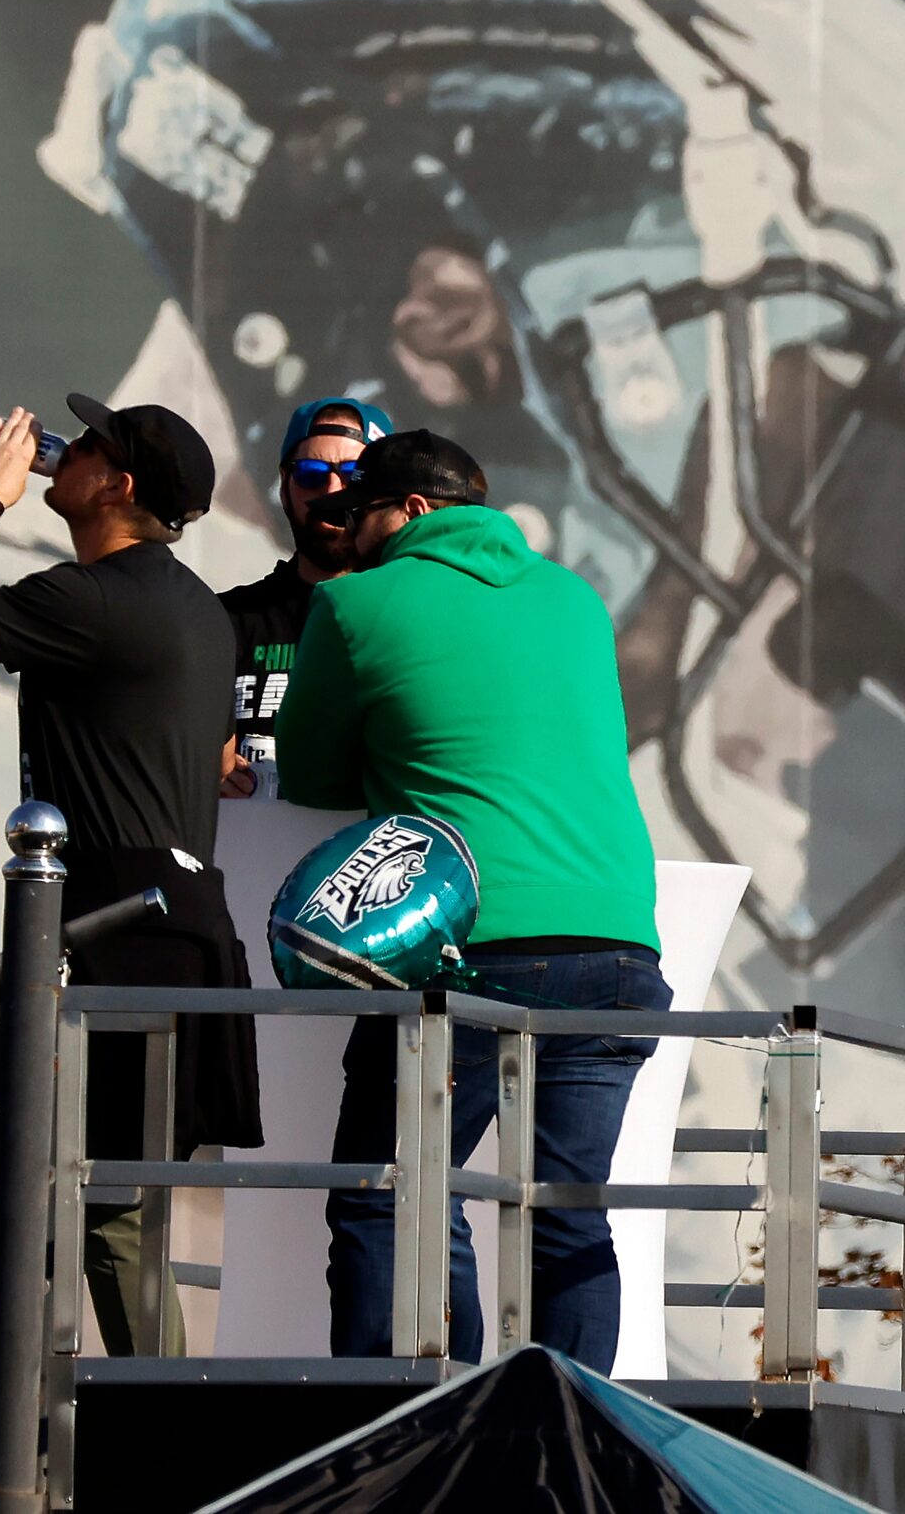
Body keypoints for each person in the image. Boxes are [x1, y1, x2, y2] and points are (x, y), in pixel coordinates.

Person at [271, 428, 666, 1366]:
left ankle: (413, 1422)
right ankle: (568, 1436)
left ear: (410, 511)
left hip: (472, 947)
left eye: (360, 510)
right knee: (566, 1217)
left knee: (395, 1190)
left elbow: (311, 774)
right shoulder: (577, 601)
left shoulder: (355, 604)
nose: (347, 529)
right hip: (618, 950)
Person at [0, 394, 261, 1356]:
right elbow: (216, 756)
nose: (62, 451)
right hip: (169, 925)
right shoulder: (198, 613)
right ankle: (76, 1433)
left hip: (110, 932)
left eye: (84, 446)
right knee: (81, 1203)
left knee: (95, 1210)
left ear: (117, 486)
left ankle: (138, 1446)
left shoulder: (94, 598)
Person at [216, 395, 394, 795]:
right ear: (283, 486)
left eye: (354, 475)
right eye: (312, 474)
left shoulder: (415, 620)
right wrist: (198, 775)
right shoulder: (226, 618)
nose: (332, 491)